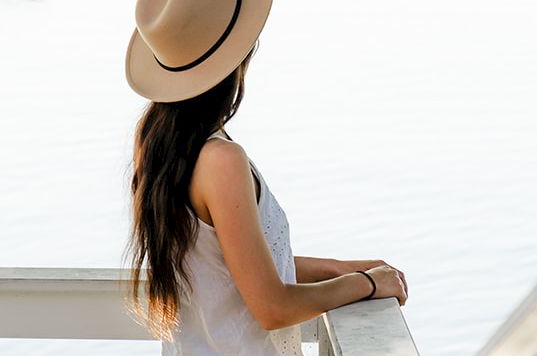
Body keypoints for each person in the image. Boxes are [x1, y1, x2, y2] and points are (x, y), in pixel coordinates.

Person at [123, 0, 408, 354]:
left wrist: (337, 270)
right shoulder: (221, 160)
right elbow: (273, 307)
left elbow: (232, 270)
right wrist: (366, 284)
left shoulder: (156, 141)